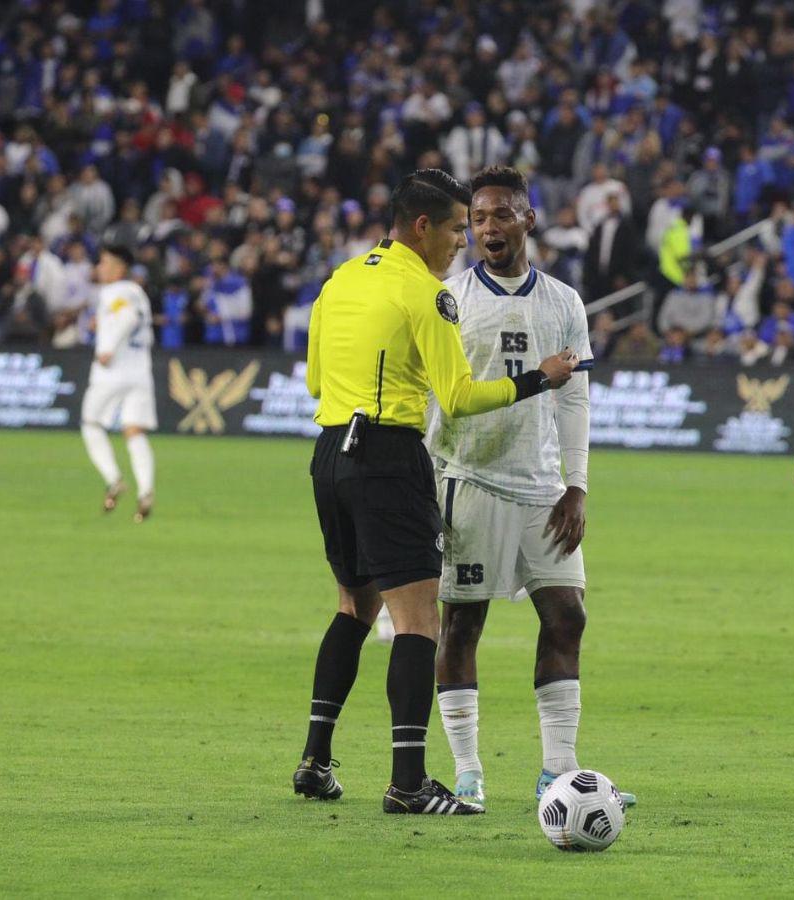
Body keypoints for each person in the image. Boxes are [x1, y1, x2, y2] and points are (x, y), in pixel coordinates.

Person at [293, 169, 577, 815]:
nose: (462, 242)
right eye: (456, 227)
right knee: (419, 622)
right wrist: (541, 377)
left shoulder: (340, 279)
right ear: (423, 227)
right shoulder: (429, 294)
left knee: (352, 609)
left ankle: (314, 761)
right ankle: (409, 784)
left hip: (329, 455)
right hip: (388, 457)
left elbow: (313, 379)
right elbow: (458, 398)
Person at [425, 166, 635, 809]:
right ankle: (468, 772)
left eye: (500, 215)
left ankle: (558, 773)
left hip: (543, 486)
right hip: (471, 479)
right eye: (478, 218)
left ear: (528, 219)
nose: (488, 227)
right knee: (462, 625)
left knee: (567, 615)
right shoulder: (451, 299)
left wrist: (577, 486)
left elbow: (575, 403)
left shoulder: (564, 302)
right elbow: (439, 398)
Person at [80, 245, 157, 523]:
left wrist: (108, 346)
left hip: (112, 372)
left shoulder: (115, 292)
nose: (99, 269)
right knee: (134, 432)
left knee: (91, 424)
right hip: (140, 372)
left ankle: (113, 479)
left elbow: (127, 317)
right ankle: (146, 491)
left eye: (103, 263)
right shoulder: (138, 293)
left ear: (118, 268)